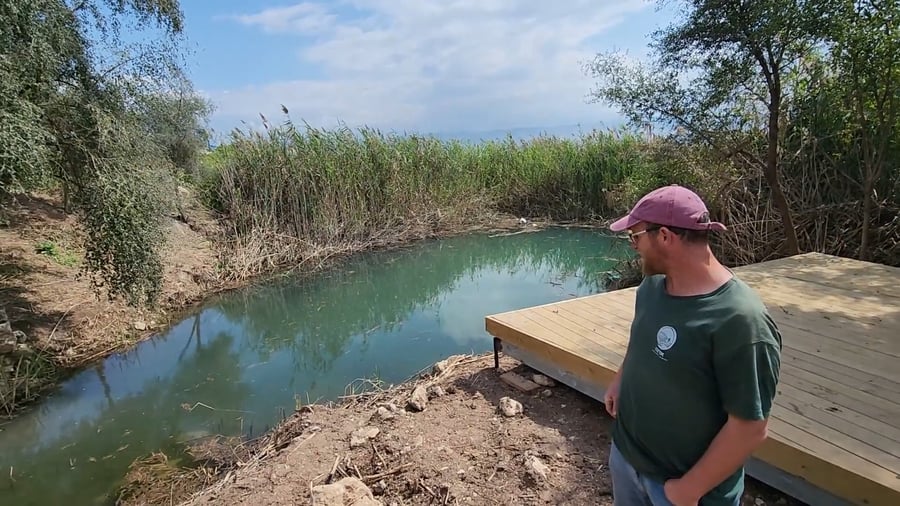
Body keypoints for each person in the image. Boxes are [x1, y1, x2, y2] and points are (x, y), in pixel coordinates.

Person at [604, 184, 783, 506]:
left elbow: (750, 427)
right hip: (627, 458)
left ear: (664, 237)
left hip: (684, 490)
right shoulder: (652, 287)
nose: (633, 247)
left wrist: (686, 490)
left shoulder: (740, 321)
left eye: (635, 237)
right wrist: (621, 377)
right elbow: (641, 338)